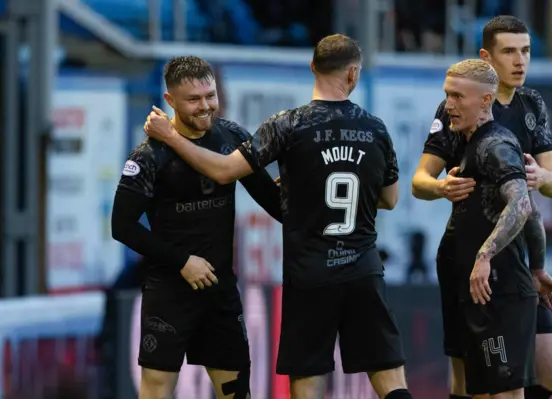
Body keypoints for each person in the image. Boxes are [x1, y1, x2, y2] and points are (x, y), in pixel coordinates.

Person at [144, 34, 414, 399]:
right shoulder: (376, 129)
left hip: (311, 274)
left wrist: (171, 138)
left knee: (308, 380)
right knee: (389, 378)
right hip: (364, 270)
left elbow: (224, 172)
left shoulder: (288, 125)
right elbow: (390, 199)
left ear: (312, 67)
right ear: (353, 74)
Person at [412, 16, 552, 399]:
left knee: (549, 371)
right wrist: (442, 187)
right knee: (470, 378)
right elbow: (419, 182)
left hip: (514, 256)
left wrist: (539, 178)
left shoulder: (532, 104)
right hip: (469, 254)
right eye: (509, 51)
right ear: (487, 57)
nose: (520, 61)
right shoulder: (459, 104)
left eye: (526, 51)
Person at [111, 56, 282, 399]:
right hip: (169, 292)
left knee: (235, 392)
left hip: (220, 290)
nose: (205, 106)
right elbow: (122, 227)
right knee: (156, 390)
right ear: (170, 100)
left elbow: (274, 203)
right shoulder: (148, 156)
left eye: (210, 95)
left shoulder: (231, 136)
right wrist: (182, 261)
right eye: (194, 99)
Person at [440, 58, 537, 398]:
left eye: (457, 97)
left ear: (485, 101)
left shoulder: (494, 145)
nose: (449, 105)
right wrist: (537, 267)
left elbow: (522, 204)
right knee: (480, 391)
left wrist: (484, 255)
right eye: (447, 95)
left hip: (501, 292)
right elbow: (533, 213)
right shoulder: (470, 144)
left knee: (506, 393)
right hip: (482, 292)